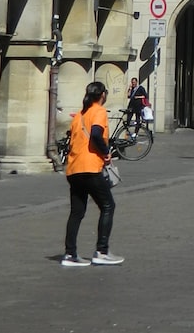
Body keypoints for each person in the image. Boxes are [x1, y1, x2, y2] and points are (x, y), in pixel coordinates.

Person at [62, 81, 123, 267]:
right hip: (90, 167)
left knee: (77, 212)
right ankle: (102, 251)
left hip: (73, 168)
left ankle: (70, 254)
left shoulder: (79, 115)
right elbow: (96, 134)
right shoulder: (99, 111)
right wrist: (106, 152)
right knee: (108, 205)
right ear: (103, 95)